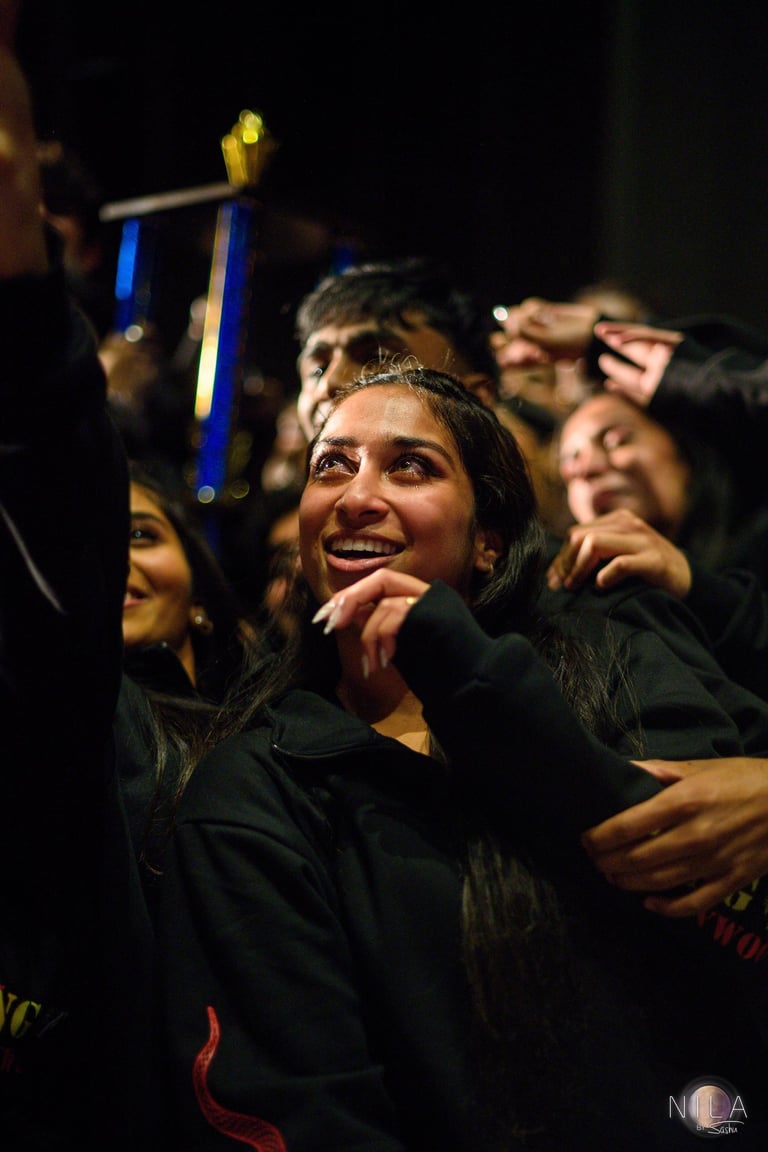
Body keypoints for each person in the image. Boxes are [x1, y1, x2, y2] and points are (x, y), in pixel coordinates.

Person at [157, 368, 768, 1150]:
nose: (356, 496)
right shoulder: (258, 789)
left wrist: (474, 678)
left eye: (410, 466)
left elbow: (703, 915)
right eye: (330, 465)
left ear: (489, 541)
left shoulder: (620, 663)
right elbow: (297, 1107)